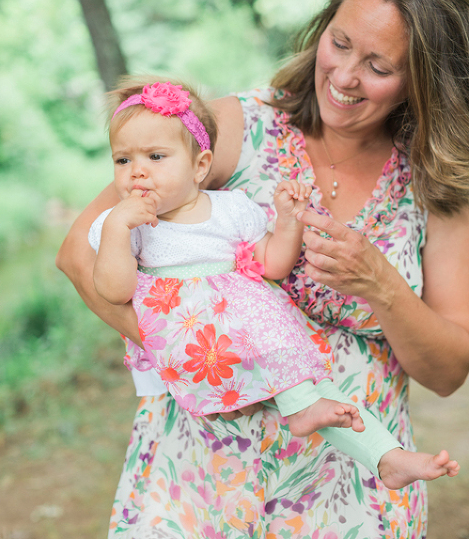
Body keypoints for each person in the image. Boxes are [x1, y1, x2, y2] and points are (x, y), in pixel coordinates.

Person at [57, 0, 469, 536]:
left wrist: (381, 285)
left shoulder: (436, 184)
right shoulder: (236, 129)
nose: (346, 76)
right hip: (201, 477)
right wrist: (202, 359)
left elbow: (449, 371)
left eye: (379, 67)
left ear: (422, 82)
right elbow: (79, 251)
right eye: (341, 43)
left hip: (350, 496)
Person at [90, 76, 458, 491]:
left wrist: (287, 220)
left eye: (156, 156)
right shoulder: (125, 225)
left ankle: (384, 456)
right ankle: (333, 425)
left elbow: (273, 265)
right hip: (195, 342)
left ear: (200, 166)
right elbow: (115, 289)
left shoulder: (228, 209)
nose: (137, 172)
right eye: (122, 161)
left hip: (246, 333)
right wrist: (117, 229)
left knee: (317, 389)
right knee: (303, 388)